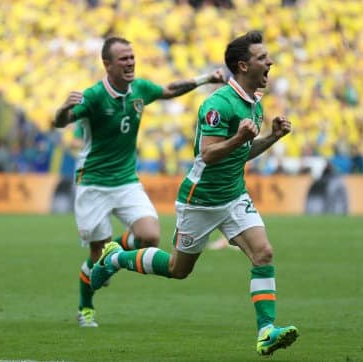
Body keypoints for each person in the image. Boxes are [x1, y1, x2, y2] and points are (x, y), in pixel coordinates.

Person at [89, 30, 298, 357]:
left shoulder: (254, 105)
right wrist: (239, 138)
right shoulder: (217, 105)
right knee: (178, 269)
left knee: (264, 253)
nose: (270, 62)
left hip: (233, 196)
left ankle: (266, 331)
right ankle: (114, 257)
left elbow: (241, 153)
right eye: (262, 58)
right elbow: (209, 153)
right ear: (243, 66)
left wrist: (272, 138)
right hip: (200, 201)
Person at [52, 36, 226, 327]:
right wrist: (61, 108)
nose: (131, 62)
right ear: (107, 65)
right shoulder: (95, 96)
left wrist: (205, 78)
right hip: (93, 182)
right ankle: (86, 306)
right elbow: (61, 121)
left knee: (149, 235)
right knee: (96, 260)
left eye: (132, 57)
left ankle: (113, 253)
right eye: (124, 59)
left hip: (126, 180)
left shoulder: (140, 89)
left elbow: (170, 90)